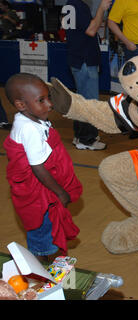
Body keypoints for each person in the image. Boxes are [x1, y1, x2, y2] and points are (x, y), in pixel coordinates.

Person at [3, 73, 83, 262]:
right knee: (44, 233)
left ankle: (48, 263)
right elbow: (38, 168)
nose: (49, 104)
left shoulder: (32, 117)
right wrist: (60, 193)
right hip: (40, 194)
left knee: (48, 230)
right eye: (42, 100)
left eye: (48, 97)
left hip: (44, 189)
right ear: (21, 105)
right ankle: (40, 273)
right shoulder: (28, 128)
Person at [65, 0, 111, 150]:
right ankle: (87, 139)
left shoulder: (70, 4)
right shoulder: (79, 6)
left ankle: (80, 136)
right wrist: (101, 9)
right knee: (89, 103)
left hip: (77, 58)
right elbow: (91, 30)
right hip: (84, 60)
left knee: (81, 100)